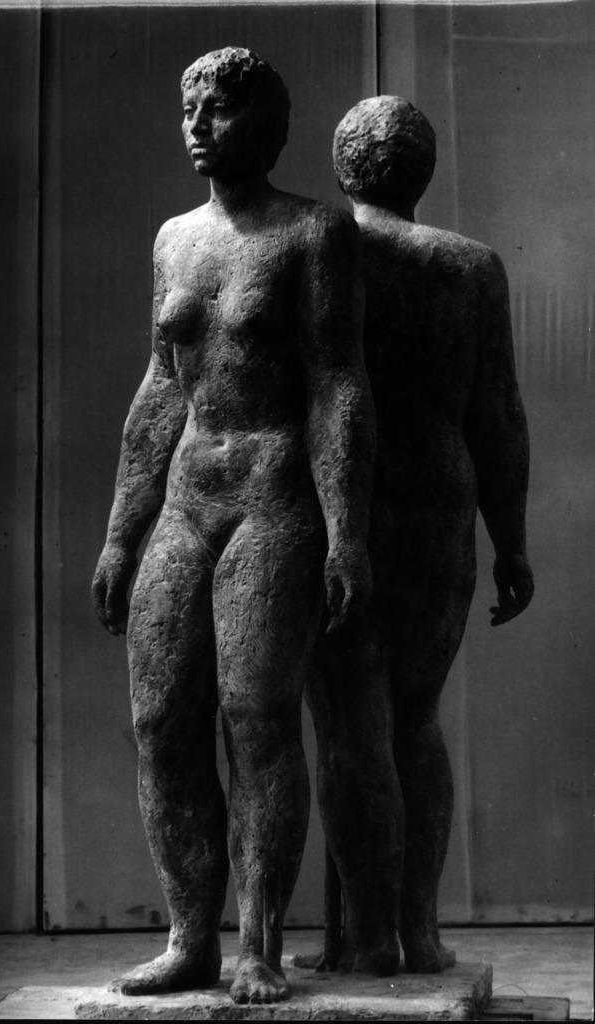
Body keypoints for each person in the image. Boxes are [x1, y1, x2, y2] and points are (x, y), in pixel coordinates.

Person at [91, 48, 374, 1005]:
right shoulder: (175, 238)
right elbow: (160, 390)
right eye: (188, 108)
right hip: (187, 496)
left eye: (218, 107)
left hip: (272, 496)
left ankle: (257, 944)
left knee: (256, 717)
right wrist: (122, 532)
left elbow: (338, 384)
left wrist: (345, 527)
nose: (198, 125)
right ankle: (189, 939)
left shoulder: (312, 231)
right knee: (160, 720)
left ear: (267, 123)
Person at [305, 95, 534, 975]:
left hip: (346, 505)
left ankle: (365, 940)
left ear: (342, 164)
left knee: (350, 724)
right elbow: (499, 418)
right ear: (424, 170)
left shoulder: (322, 249)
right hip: (441, 502)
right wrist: (511, 541)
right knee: (414, 721)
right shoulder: (471, 267)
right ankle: (419, 932)